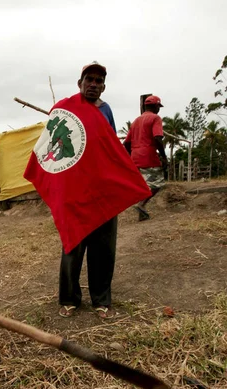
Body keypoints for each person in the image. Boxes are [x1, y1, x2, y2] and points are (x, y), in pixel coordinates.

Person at [59, 62, 118, 319]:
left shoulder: (106, 111)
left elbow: (113, 148)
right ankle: (69, 298)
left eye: (98, 80)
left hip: (103, 190)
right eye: (89, 79)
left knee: (103, 247)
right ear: (79, 83)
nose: (93, 84)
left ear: (103, 86)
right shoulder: (66, 109)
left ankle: (101, 300)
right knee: (72, 245)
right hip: (75, 191)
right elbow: (54, 149)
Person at [124, 95, 167, 221]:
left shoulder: (136, 121)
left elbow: (126, 143)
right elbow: (158, 138)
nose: (159, 109)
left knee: (143, 184)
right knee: (157, 183)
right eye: (158, 107)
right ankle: (141, 205)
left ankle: (141, 215)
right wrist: (164, 157)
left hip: (135, 157)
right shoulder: (155, 118)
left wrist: (129, 156)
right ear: (155, 106)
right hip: (148, 156)